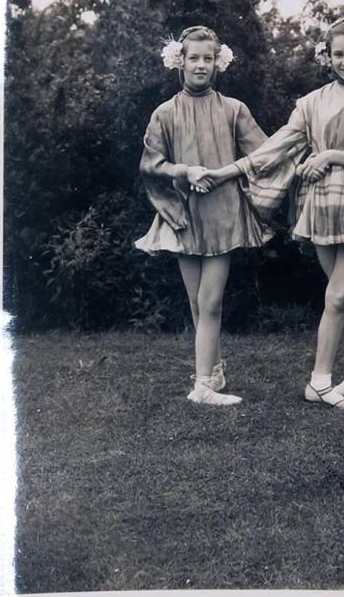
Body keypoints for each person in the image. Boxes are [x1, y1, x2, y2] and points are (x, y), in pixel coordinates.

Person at [197, 17, 344, 413]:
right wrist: (226, 172)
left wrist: (331, 155)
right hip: (322, 203)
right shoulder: (311, 103)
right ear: (326, 57)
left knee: (340, 292)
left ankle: (320, 381)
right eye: (338, 54)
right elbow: (275, 148)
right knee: (341, 292)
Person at [135, 25, 274, 406]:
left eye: (207, 58)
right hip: (183, 214)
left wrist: (228, 172)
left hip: (222, 214)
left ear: (218, 63)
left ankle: (202, 387)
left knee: (211, 301)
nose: (200, 65)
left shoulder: (234, 110)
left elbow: (265, 154)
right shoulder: (164, 113)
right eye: (193, 58)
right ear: (179, 61)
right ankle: (212, 371)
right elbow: (151, 165)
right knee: (197, 302)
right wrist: (184, 171)